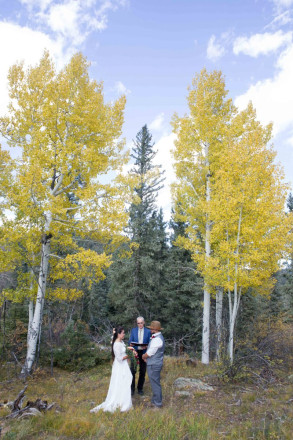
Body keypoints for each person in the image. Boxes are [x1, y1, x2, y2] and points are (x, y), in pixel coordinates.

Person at [90, 326, 132, 413]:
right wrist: (129, 355)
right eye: (123, 333)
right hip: (120, 366)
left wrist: (128, 354)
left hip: (124, 365)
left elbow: (123, 352)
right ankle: (119, 401)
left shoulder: (121, 342)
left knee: (125, 381)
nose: (124, 334)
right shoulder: (116, 344)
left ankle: (124, 401)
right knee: (120, 382)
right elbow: (119, 358)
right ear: (118, 334)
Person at [142, 320, 165, 408]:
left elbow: (151, 352)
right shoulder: (156, 338)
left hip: (154, 364)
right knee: (154, 382)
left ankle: (158, 403)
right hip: (154, 363)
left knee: (155, 383)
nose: (150, 330)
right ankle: (154, 401)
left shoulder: (157, 339)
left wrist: (144, 356)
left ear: (154, 329)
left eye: (151, 328)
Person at [128, 316, 151, 396]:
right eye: (138, 323)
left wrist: (147, 346)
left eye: (141, 323)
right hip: (135, 352)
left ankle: (140, 389)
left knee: (142, 371)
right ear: (137, 323)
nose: (140, 325)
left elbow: (151, 343)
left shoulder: (148, 331)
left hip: (144, 353)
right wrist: (131, 344)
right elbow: (130, 341)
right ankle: (132, 389)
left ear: (144, 322)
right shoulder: (133, 330)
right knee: (132, 371)